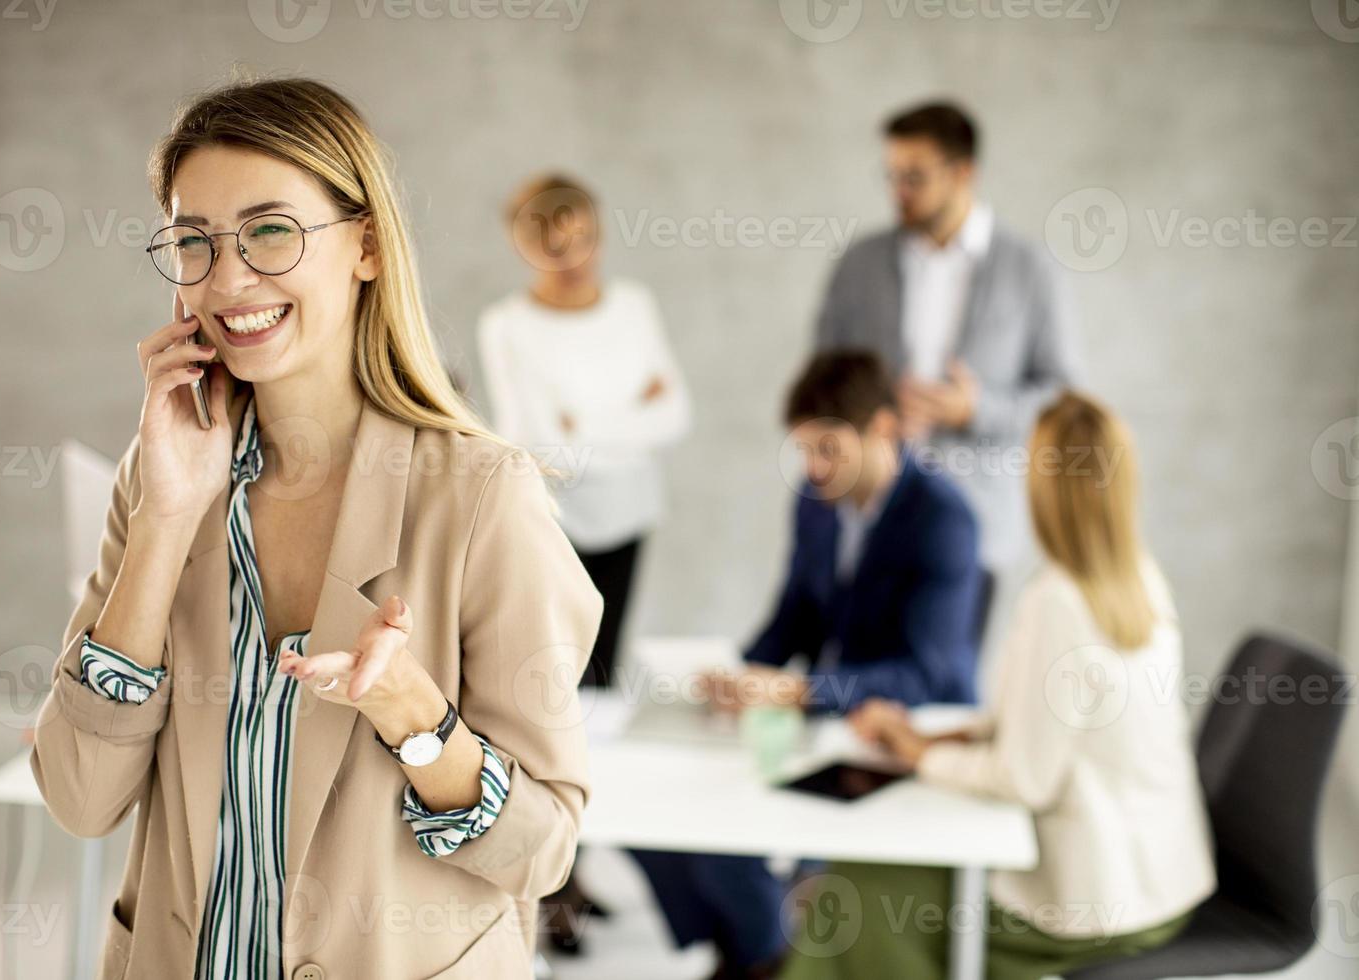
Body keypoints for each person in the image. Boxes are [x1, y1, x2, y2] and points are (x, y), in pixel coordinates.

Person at [30, 77, 603, 980]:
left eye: (270, 231)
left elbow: (542, 853)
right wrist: (165, 522)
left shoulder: (483, 494)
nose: (227, 280)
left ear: (367, 245)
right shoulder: (161, 476)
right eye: (193, 242)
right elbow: (78, 798)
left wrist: (414, 715)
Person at [780, 391, 1216, 980]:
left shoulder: (1057, 601)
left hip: (1093, 905)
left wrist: (919, 758)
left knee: (864, 887)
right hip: (1162, 883)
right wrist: (939, 740)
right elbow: (1063, 726)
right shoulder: (1136, 576)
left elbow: (1024, 781)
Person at [630, 349, 983, 980]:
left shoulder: (944, 520)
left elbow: (924, 673)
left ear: (883, 428)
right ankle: (758, 954)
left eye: (828, 449)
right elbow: (796, 614)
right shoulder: (817, 503)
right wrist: (735, 676)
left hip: (905, 736)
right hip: (825, 717)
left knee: (744, 843)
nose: (812, 468)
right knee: (668, 819)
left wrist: (798, 690)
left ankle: (762, 955)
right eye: (803, 451)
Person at [477, 172, 692, 955]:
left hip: (630, 519)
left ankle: (574, 868)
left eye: (582, 240)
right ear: (523, 244)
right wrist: (623, 414)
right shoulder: (508, 325)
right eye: (549, 243)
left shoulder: (632, 307)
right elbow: (536, 442)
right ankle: (546, 885)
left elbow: (676, 413)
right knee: (548, 699)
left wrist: (585, 422)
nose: (570, 259)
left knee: (599, 698)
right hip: (556, 523)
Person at [814, 100, 1078, 576]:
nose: (898, 191)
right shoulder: (859, 265)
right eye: (891, 175)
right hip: (864, 521)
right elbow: (820, 379)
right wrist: (870, 411)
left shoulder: (1027, 269)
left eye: (914, 177)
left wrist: (974, 410)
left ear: (963, 173)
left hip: (976, 527)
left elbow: (1062, 401)